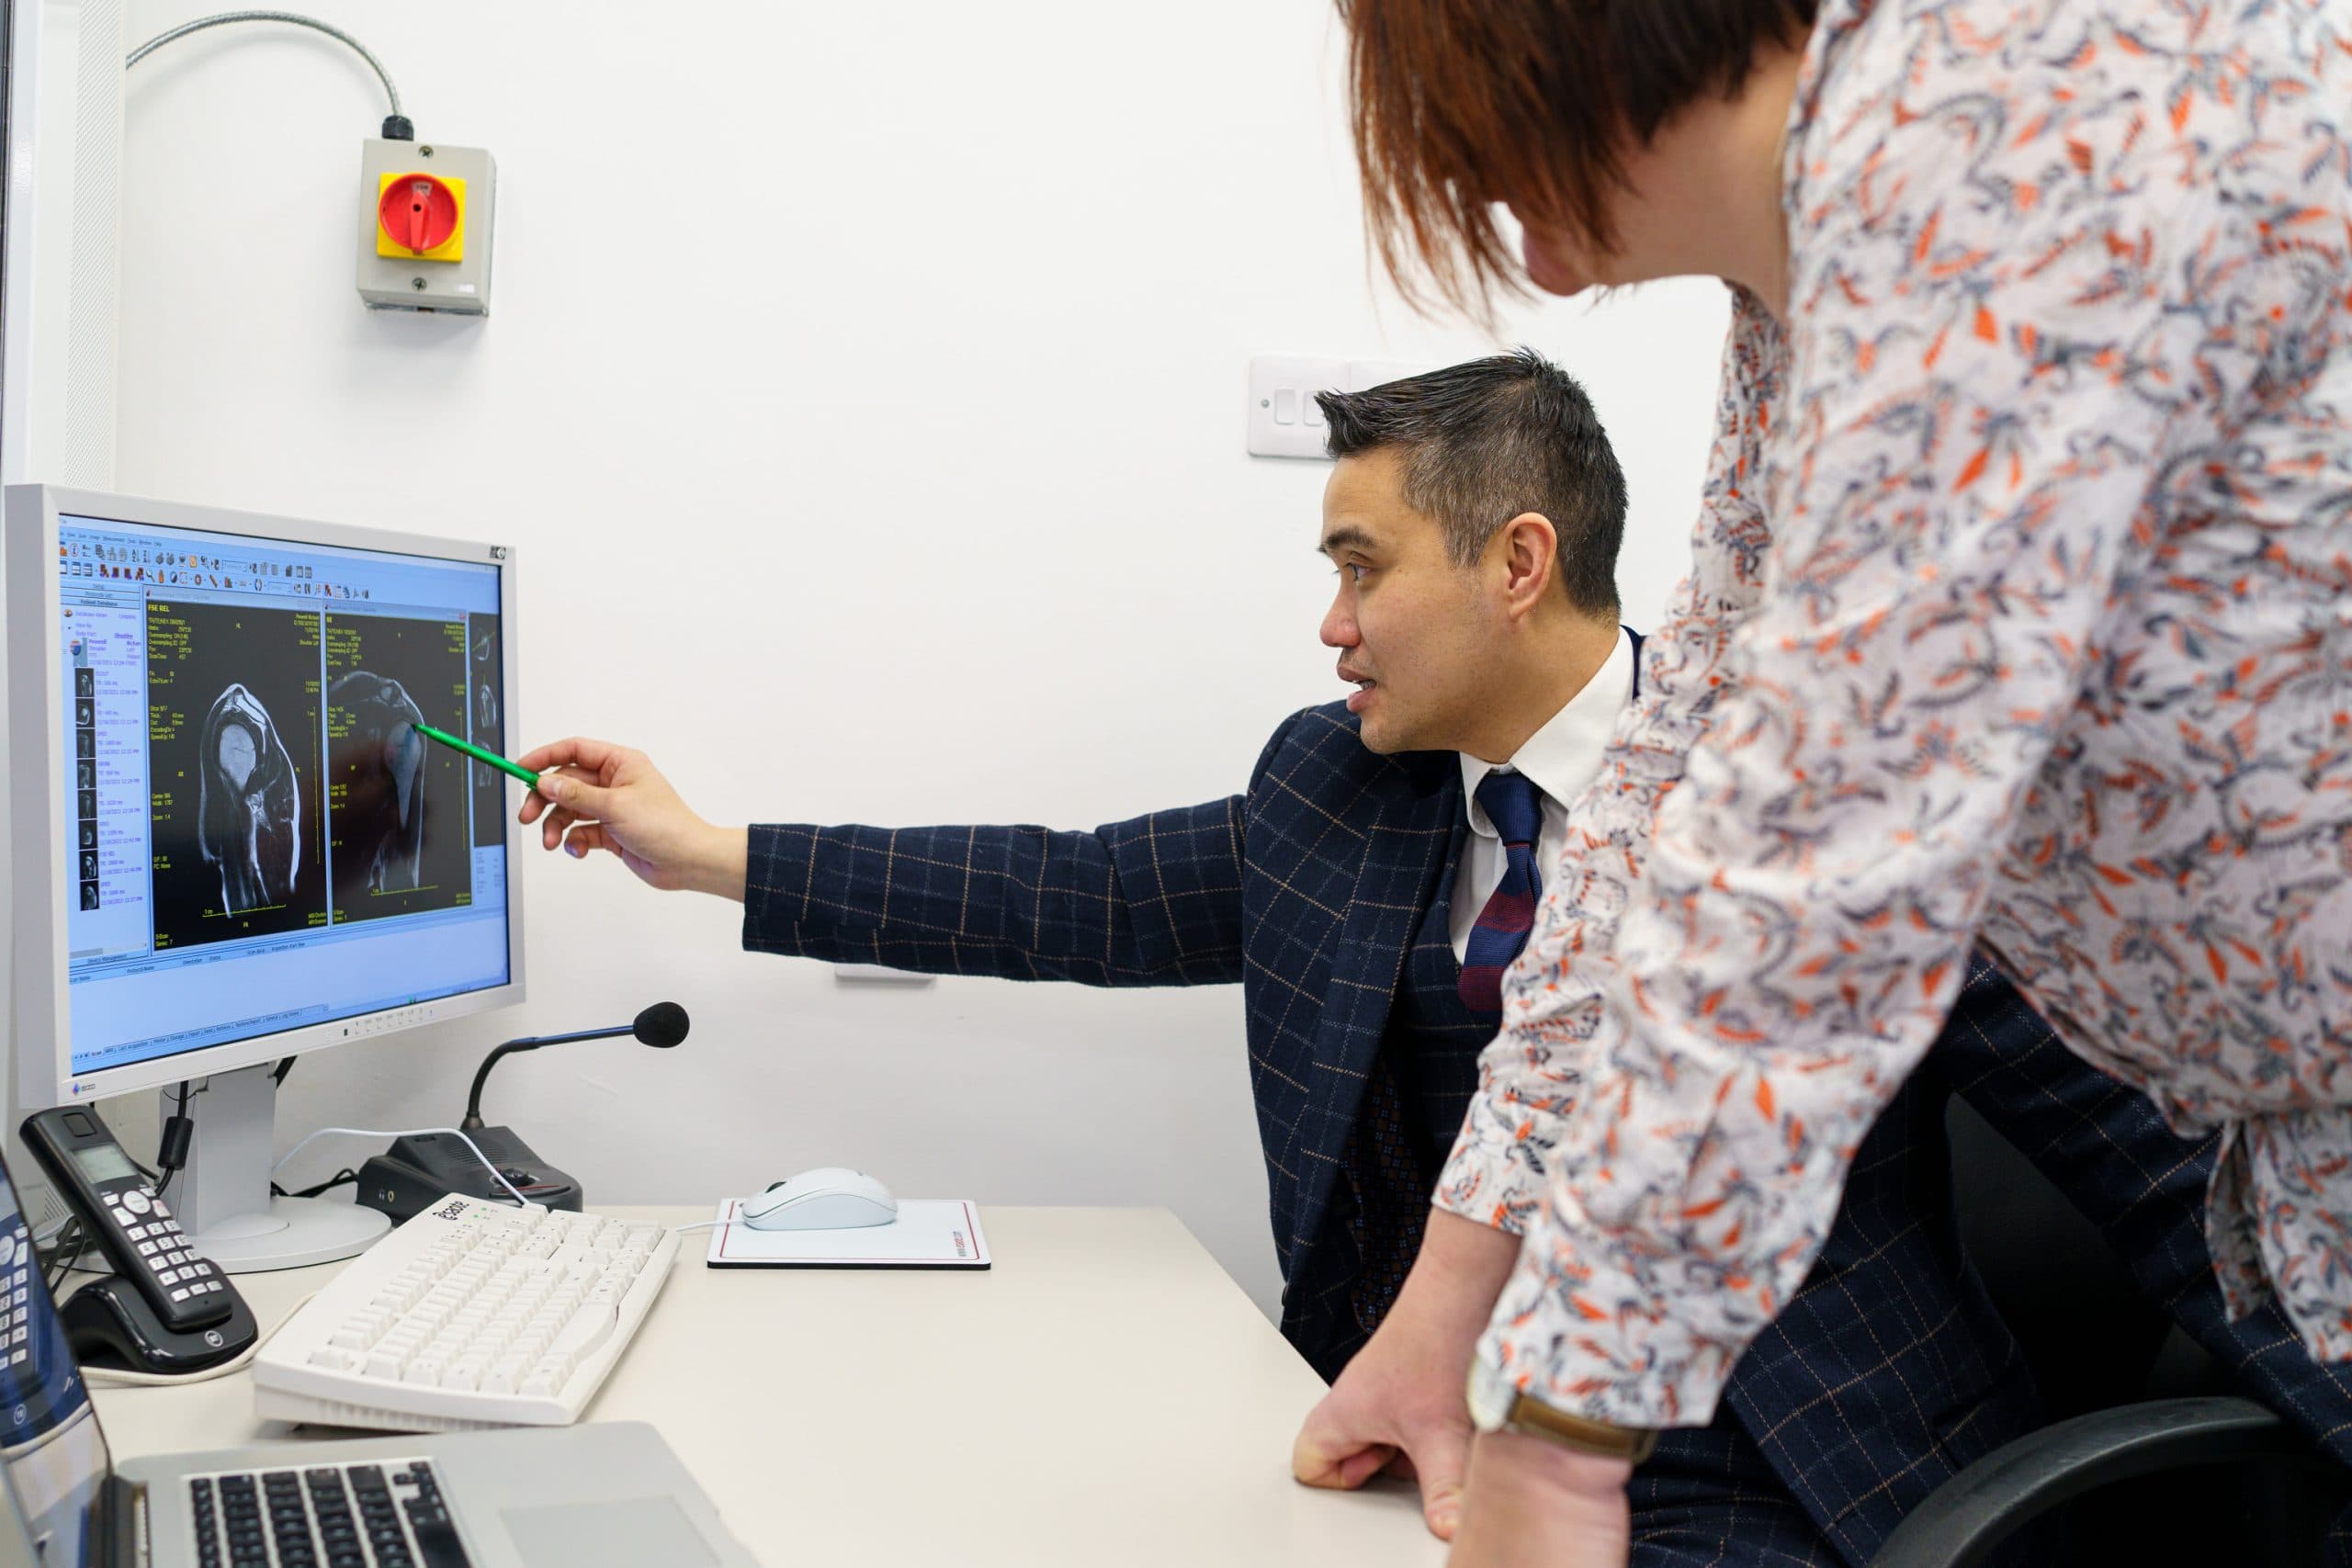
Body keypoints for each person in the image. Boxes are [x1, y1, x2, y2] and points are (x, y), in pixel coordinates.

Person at [517, 352, 2061, 1559]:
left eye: (1362, 566)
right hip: (1421, 1442)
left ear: (1517, 563)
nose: (1332, 624)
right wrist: (703, 851)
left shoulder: (1801, 789)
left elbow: (2124, 1101)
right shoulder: (1337, 789)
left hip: (1781, 1469)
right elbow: (1077, 896)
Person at [1315, 1, 2352, 1563]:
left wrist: (1566, 1433)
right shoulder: (1815, 266)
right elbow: (1684, 792)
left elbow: (1821, 861)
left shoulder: (2001, 138)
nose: (1514, 249)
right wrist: (1452, 1315)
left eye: (1477, 164)